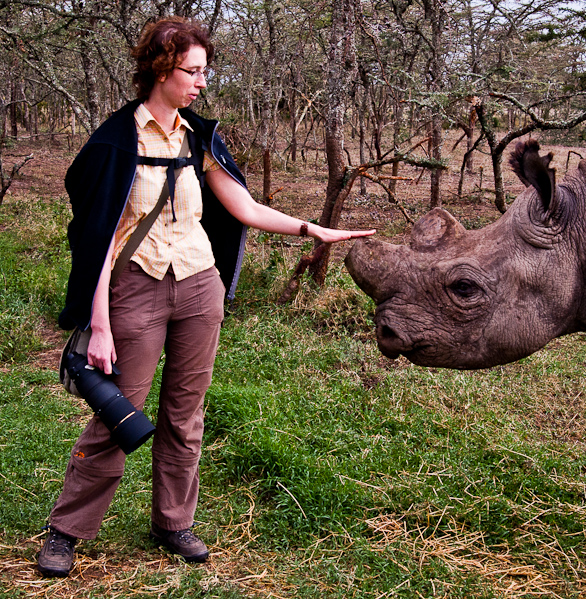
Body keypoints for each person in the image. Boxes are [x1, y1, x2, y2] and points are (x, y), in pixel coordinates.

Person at [37, 16, 374, 577]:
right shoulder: (115, 142)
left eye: (203, 72)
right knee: (119, 412)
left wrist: (314, 230)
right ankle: (67, 531)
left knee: (185, 413)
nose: (200, 82)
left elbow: (244, 207)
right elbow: (95, 238)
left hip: (198, 286)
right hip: (134, 289)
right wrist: (99, 322)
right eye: (192, 71)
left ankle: (173, 521)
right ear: (161, 69)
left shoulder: (197, 137)